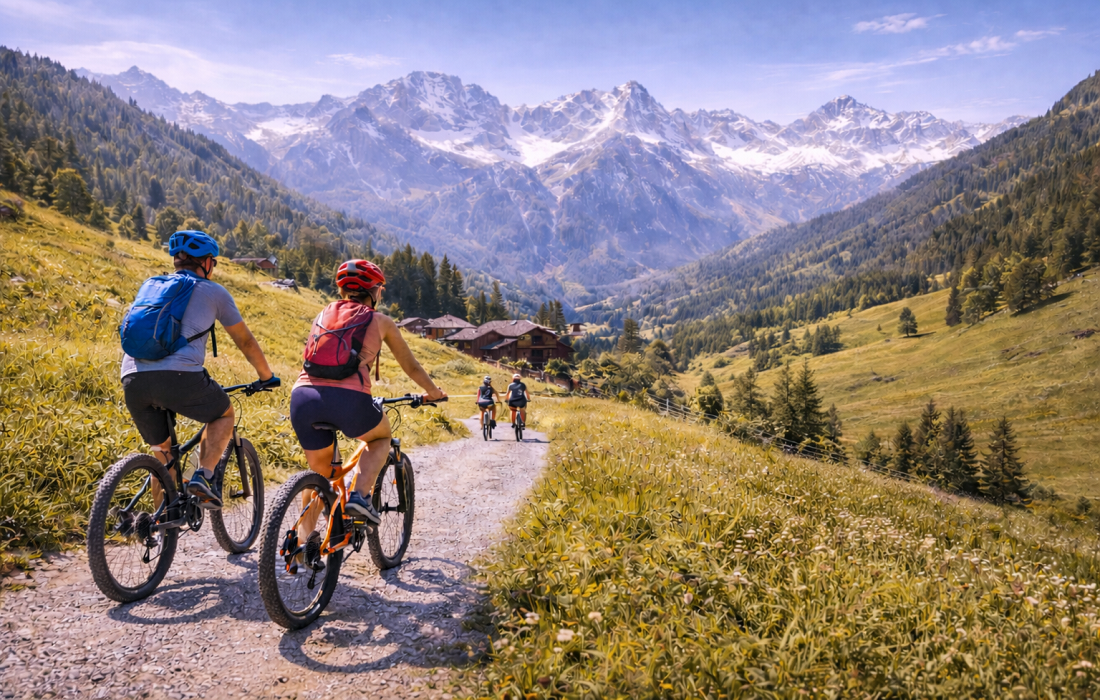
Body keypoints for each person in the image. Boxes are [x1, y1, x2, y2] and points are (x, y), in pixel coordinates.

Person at [121, 230, 276, 508]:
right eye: (213, 262)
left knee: (164, 455)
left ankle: (162, 524)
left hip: (132, 378)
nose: (213, 267)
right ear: (206, 262)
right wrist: (266, 376)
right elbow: (245, 341)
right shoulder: (213, 291)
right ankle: (204, 476)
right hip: (179, 377)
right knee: (223, 414)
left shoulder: (152, 285)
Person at [289, 259, 446, 523]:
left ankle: (304, 543)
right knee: (379, 438)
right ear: (374, 291)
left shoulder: (322, 314)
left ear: (343, 290)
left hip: (303, 398)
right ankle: (360, 497)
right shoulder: (380, 320)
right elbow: (411, 366)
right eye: (380, 289)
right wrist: (434, 392)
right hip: (349, 400)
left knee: (322, 477)